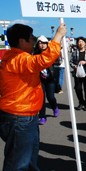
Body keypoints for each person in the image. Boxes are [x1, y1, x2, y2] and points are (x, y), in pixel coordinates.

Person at [0, 23, 66, 171]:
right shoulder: (18, 58)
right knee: (18, 163)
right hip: (20, 116)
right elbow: (44, 60)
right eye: (32, 38)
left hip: (23, 115)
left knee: (28, 158)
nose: (34, 42)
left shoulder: (12, 57)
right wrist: (58, 35)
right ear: (22, 41)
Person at [34, 35, 60, 125]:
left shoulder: (50, 53)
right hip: (40, 79)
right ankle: (42, 116)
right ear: (37, 44)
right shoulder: (34, 55)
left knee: (50, 97)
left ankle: (54, 107)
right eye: (40, 43)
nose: (43, 45)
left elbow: (58, 63)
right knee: (41, 98)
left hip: (50, 79)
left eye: (44, 43)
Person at [70, 37, 86, 111]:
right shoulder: (74, 52)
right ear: (77, 44)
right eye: (79, 42)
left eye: (82, 42)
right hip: (77, 74)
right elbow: (71, 62)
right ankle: (81, 102)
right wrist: (75, 66)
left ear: (85, 43)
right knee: (78, 88)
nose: (80, 43)